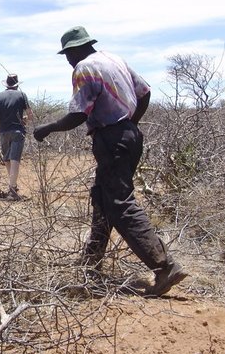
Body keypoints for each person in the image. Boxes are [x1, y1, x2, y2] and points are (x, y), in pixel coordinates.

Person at [33, 26, 187, 296]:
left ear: (75, 50)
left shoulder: (84, 68)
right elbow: (145, 92)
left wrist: (47, 128)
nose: (68, 60)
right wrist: (130, 125)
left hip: (111, 138)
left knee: (120, 203)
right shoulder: (115, 59)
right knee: (104, 199)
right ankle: (91, 267)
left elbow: (79, 114)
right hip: (129, 135)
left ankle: (165, 266)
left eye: (68, 54)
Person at [0, 74, 34, 200]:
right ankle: (12, 189)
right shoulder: (22, 95)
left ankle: (12, 187)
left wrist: (0, 125)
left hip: (3, 131)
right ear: (17, 84)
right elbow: (30, 115)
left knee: (7, 159)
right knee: (15, 159)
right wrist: (24, 120)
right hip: (17, 131)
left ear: (7, 84)